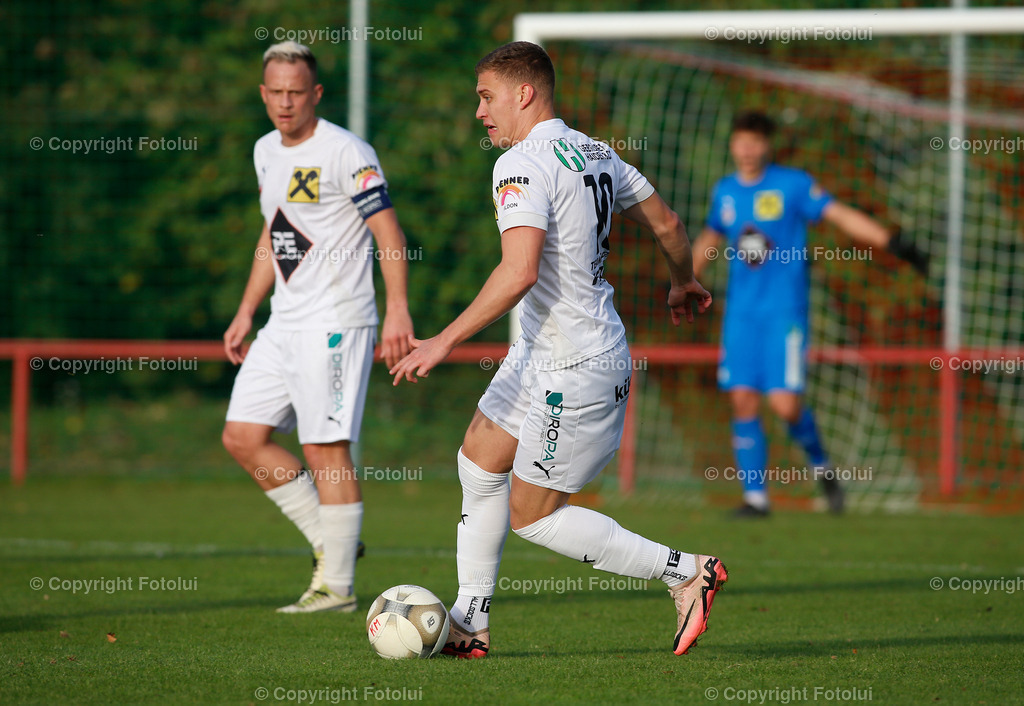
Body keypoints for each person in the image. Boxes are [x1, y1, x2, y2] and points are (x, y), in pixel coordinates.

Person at [390, 41, 726, 658]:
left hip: (576, 362)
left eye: (486, 97)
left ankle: (684, 570)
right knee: (479, 459)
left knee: (536, 516)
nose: (479, 112)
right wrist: (683, 279)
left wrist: (443, 340)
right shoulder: (599, 153)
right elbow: (670, 226)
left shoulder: (520, 164)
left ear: (524, 93)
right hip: (545, 354)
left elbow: (518, 271)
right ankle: (471, 621)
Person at [221, 41, 414, 612]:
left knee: (323, 447)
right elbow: (274, 234)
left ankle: (336, 587)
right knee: (242, 436)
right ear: (263, 93)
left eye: (296, 93)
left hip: (336, 321)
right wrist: (246, 309)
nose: (285, 103)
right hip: (282, 322)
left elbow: (389, 234)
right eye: (275, 93)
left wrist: (398, 308)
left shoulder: (347, 152)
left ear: (316, 94)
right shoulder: (264, 152)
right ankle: (335, 547)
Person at [691, 110, 929, 518]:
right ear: (732, 144)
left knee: (785, 405)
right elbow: (710, 236)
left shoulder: (792, 185)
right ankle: (756, 499)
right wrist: (683, 279)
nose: (747, 149)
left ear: (767, 146)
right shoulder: (725, 191)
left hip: (784, 312)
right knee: (743, 399)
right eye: (741, 140)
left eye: (755, 141)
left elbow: (838, 214)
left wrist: (892, 242)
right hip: (741, 317)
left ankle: (822, 467)